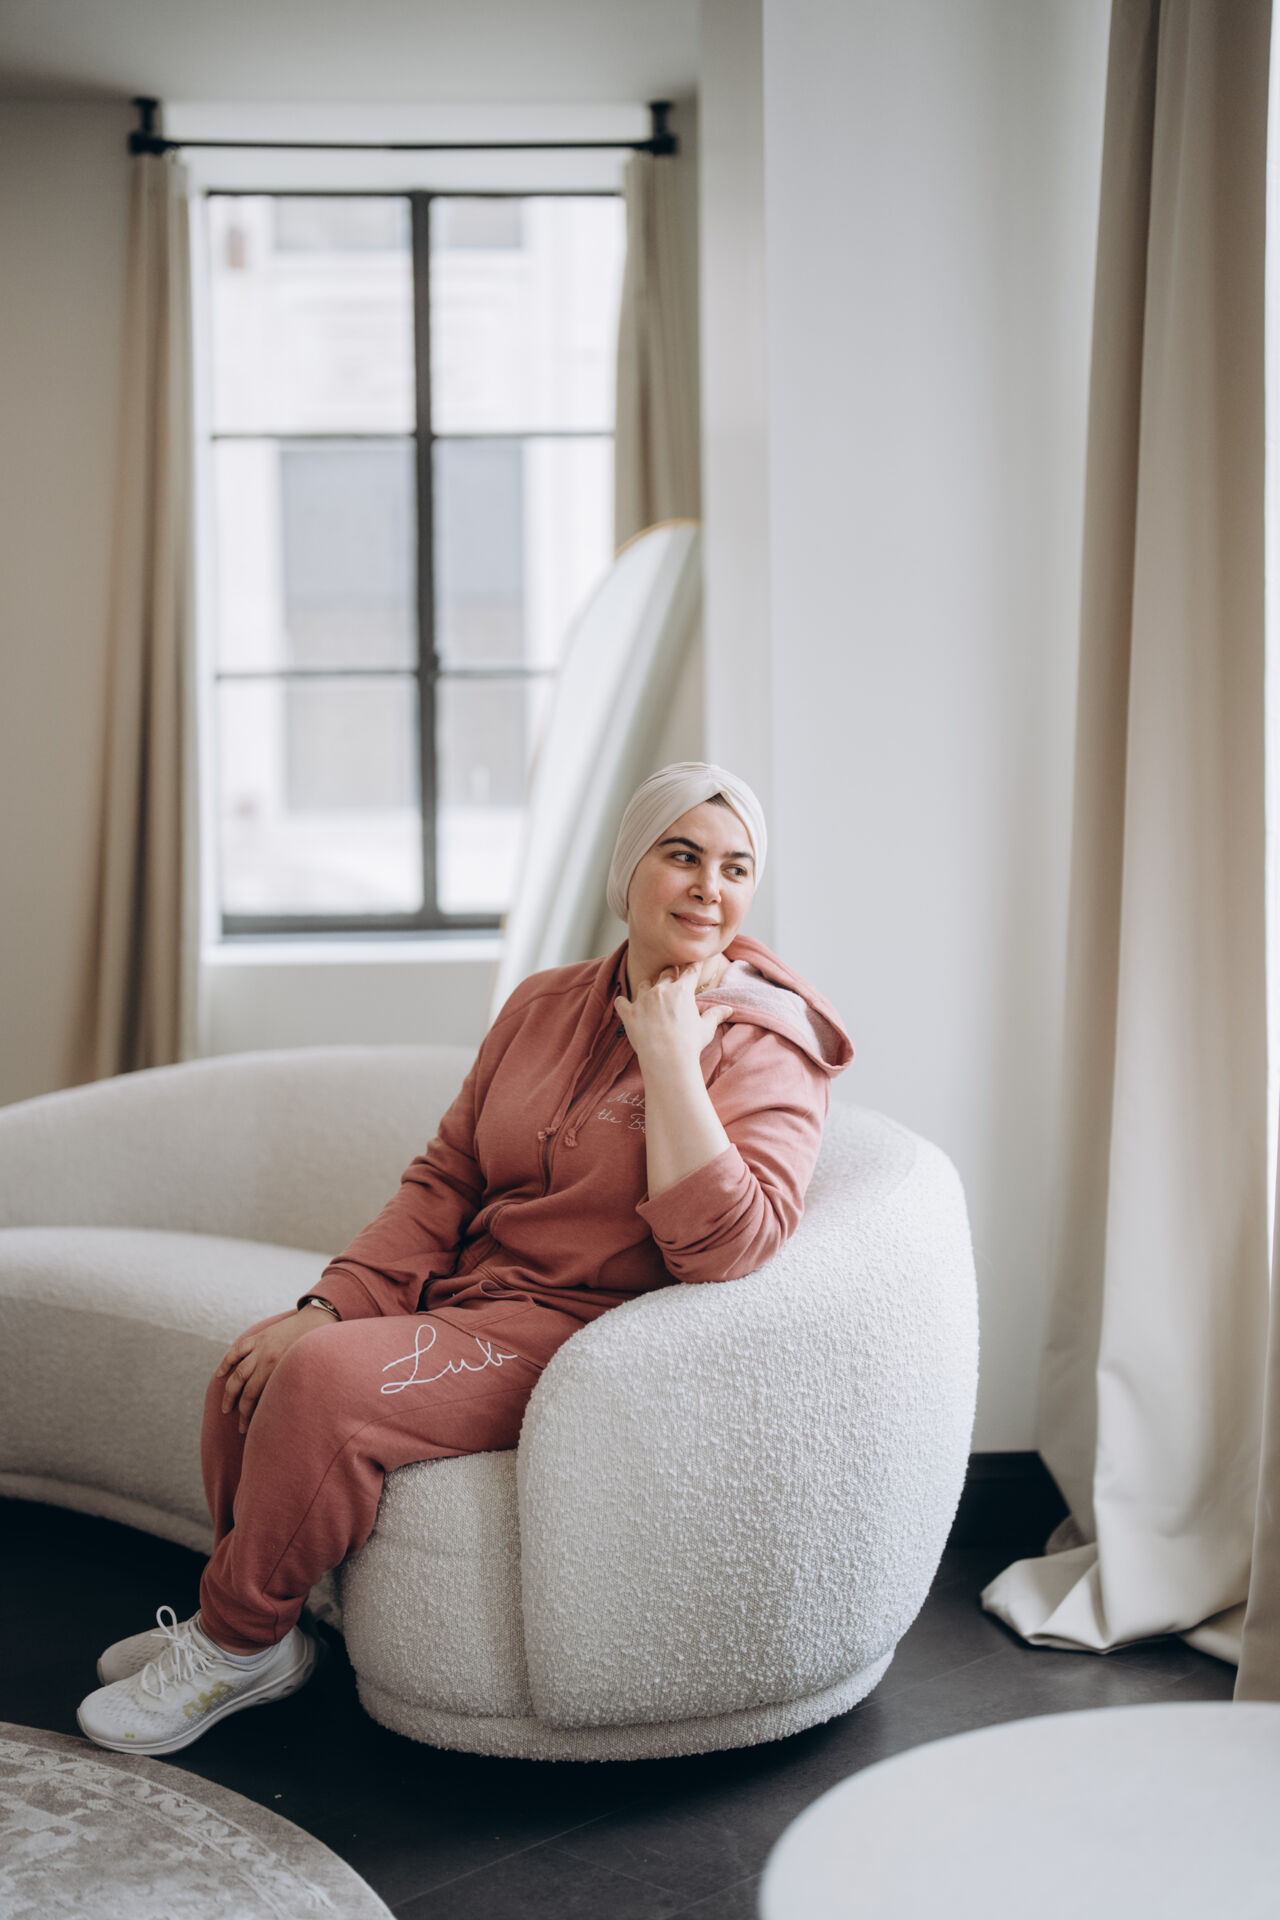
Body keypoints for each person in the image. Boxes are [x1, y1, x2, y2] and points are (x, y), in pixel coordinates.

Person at [76, 762, 853, 1756]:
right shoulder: (544, 1005)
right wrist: (329, 1305)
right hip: (469, 1298)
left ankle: (234, 1642)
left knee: (321, 1385)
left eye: (735, 868)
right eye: (682, 855)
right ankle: (255, 1629)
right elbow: (446, 1177)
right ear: (629, 870)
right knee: (256, 1365)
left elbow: (732, 1248)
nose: (709, 887)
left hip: (583, 1337)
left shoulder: (765, 1043)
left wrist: (670, 1059)